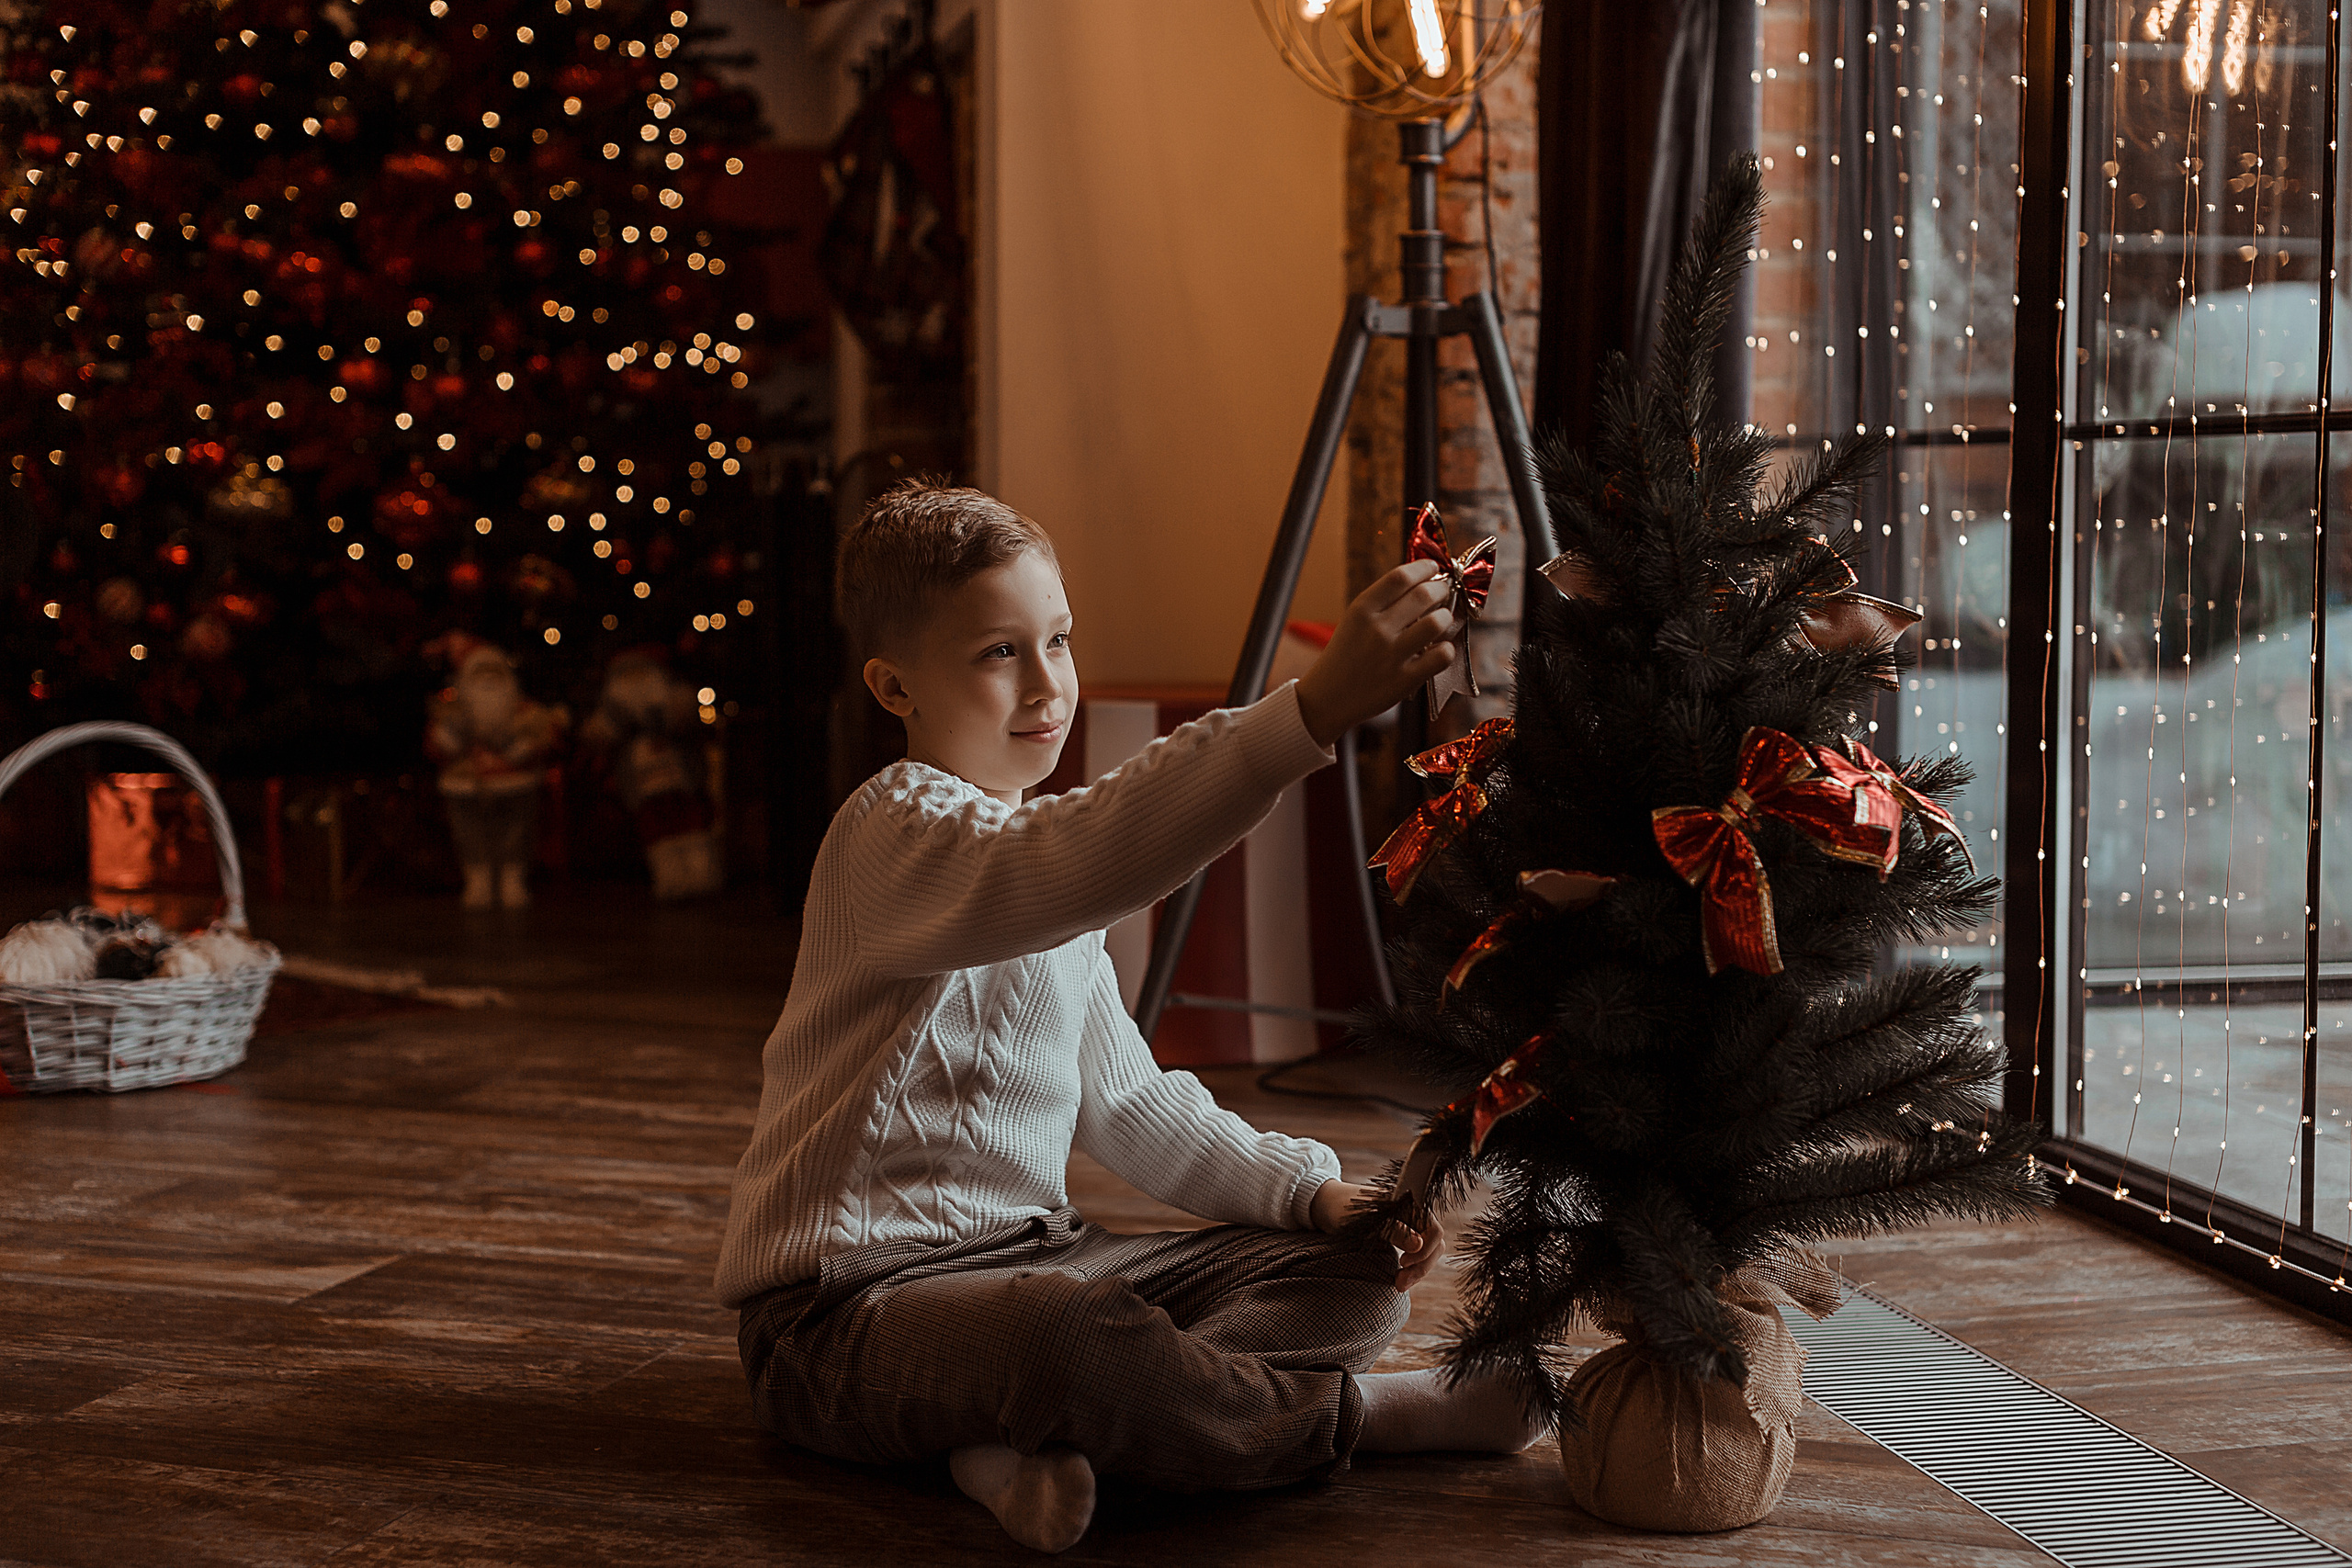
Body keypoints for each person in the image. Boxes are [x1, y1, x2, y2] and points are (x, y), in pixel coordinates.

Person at [718, 480, 1543, 1553]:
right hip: (842, 1316)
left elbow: (1130, 1102)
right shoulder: (892, 831)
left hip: (1043, 1259)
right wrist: (1310, 710)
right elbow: (1058, 860)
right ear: (894, 686)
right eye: (997, 653)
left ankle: (1009, 1441)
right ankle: (1356, 1420)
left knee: (1354, 1274)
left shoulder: (1048, 885)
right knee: (1061, 1336)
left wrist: (1309, 1197)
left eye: (1056, 640)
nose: (1047, 683)